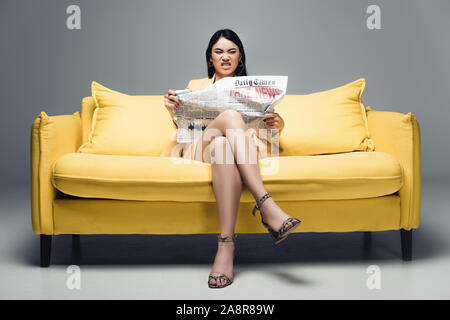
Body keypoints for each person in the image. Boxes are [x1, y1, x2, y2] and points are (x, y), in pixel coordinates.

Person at [162, 29, 301, 289]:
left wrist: (278, 125)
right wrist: (173, 110)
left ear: (240, 58)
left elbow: (266, 137)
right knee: (230, 117)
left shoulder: (256, 91)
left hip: (234, 150)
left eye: (231, 51)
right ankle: (266, 205)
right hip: (198, 149)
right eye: (219, 51)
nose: (225, 57)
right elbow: (184, 131)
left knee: (225, 145)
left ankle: (225, 247)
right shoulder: (195, 87)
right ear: (210, 58)